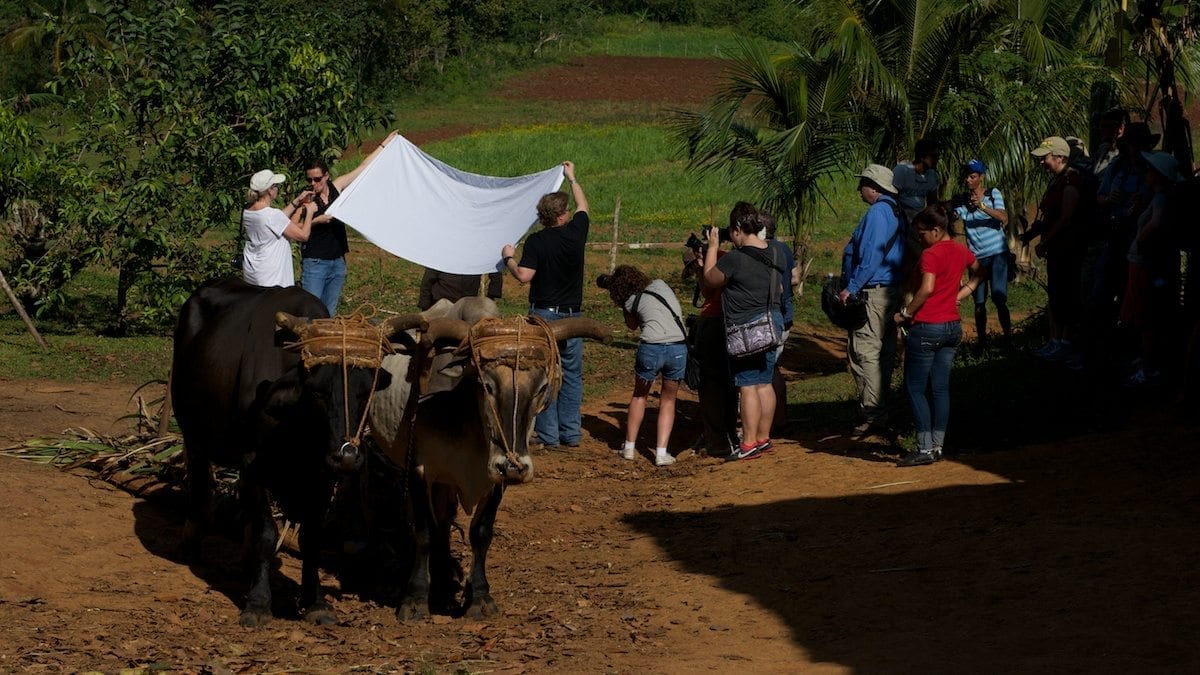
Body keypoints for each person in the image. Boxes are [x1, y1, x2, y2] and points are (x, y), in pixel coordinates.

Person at [500, 161, 588, 449]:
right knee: (572, 373)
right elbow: (583, 207)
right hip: (572, 315)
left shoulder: (537, 241)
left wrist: (509, 257)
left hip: (543, 317)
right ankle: (571, 433)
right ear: (563, 216)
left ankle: (550, 436)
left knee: (546, 374)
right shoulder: (577, 233)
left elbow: (524, 276)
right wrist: (572, 178)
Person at [893, 204, 981, 466]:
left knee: (915, 388)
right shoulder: (961, 250)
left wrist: (906, 314)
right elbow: (979, 272)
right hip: (952, 327)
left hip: (927, 326)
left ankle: (924, 447)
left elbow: (927, 288)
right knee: (940, 388)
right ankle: (938, 446)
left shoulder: (931, 254)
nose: (920, 238)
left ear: (936, 230)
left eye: (922, 233)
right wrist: (960, 295)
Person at [703, 203, 789, 461]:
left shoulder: (735, 259)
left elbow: (710, 279)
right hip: (772, 322)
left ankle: (749, 442)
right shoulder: (777, 253)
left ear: (738, 228)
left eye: (733, 232)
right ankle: (763, 438)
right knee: (765, 381)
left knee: (748, 385)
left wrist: (712, 247)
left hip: (747, 328)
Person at [298, 130, 398, 315]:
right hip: (316, 262)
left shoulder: (337, 187)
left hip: (337, 261)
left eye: (317, 179)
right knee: (310, 312)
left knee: (330, 311)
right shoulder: (306, 200)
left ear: (326, 176)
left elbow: (363, 168)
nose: (313, 183)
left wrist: (384, 145)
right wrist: (316, 220)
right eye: (309, 179)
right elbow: (293, 229)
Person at [839, 165, 906, 436]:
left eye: (863, 184)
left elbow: (871, 256)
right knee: (884, 351)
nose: (859, 190)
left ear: (875, 187)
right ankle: (880, 406)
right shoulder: (895, 210)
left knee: (865, 351)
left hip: (874, 291)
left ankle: (873, 412)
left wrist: (851, 287)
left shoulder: (878, 212)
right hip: (891, 290)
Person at [598, 265, 687, 466]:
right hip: (678, 347)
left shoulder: (630, 302)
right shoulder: (661, 285)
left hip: (651, 348)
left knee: (640, 396)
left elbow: (631, 326)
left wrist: (623, 303)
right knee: (668, 400)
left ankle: (629, 447)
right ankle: (661, 452)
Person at [1120, 151, 1181, 387]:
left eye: (1149, 170)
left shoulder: (1160, 198)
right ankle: (1146, 363)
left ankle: (1148, 367)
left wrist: (1142, 239)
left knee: (1145, 316)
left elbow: (1155, 223)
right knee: (1143, 315)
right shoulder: (1159, 197)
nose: (1145, 173)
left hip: (1144, 263)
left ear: (1158, 175)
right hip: (1143, 262)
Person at [1029, 136, 1085, 362]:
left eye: (1046, 158)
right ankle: (1054, 340)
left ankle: (1065, 341)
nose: (1042, 163)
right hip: (1057, 248)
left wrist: (1045, 241)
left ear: (1060, 157)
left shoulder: (1071, 180)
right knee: (1056, 294)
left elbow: (1066, 217)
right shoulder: (1056, 180)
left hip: (1067, 248)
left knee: (1066, 294)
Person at [954, 159, 1011, 351]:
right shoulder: (962, 200)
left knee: (999, 297)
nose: (968, 180)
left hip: (997, 254)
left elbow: (1004, 217)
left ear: (981, 177)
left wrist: (982, 206)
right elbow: (951, 217)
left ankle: (1008, 338)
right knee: (979, 302)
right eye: (966, 176)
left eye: (972, 176)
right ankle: (982, 343)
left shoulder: (992, 194)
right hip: (977, 258)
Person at [758, 210, 798, 432]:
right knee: (773, 368)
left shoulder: (762, 251)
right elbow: (795, 277)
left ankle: (762, 424)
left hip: (768, 317)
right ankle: (780, 418)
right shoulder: (783, 248)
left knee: (763, 372)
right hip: (786, 316)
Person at [241, 169, 313, 288]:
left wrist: (297, 201)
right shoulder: (272, 215)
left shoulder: (248, 210)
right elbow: (303, 236)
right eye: (276, 186)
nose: (278, 188)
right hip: (273, 277)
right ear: (270, 190)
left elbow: (275, 221)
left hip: (255, 272)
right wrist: (309, 212)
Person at [892, 138, 942, 222]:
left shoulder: (932, 176)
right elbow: (892, 197)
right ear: (922, 157)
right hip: (899, 218)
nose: (936, 160)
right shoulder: (902, 171)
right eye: (933, 156)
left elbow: (932, 203)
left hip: (917, 221)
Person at [417, 268, 503, 311]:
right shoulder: (442, 254)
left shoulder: (477, 253)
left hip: (467, 306)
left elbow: (495, 269)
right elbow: (427, 281)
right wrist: (425, 308)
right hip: (440, 304)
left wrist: (491, 296)